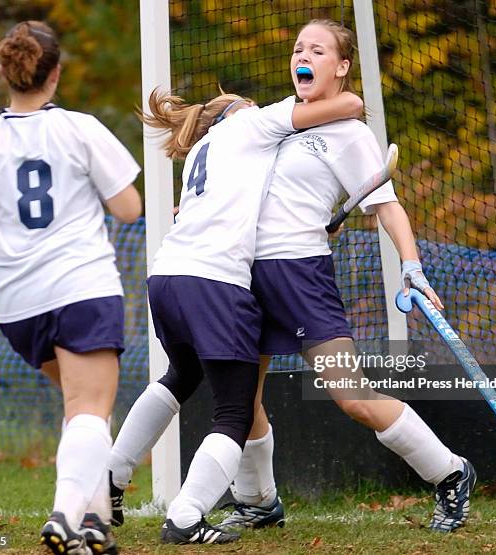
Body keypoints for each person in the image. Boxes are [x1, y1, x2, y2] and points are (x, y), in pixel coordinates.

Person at [218, 18, 476, 535]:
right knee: (241, 398)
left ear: (340, 67)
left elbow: (387, 206)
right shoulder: (280, 124)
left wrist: (412, 267)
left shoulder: (351, 135)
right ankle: (258, 501)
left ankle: (450, 472)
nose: (301, 56)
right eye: (296, 48)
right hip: (245, 272)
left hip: (302, 278)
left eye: (316, 49)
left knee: (353, 397)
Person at [108, 80, 363, 544]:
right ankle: (186, 517)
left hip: (167, 277)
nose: (259, 107)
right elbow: (350, 104)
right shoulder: (248, 124)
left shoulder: (206, 149)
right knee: (234, 412)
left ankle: (108, 479)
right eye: (250, 104)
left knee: (180, 376)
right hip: (215, 283)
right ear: (237, 111)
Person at [0, 21, 142, 555]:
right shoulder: (79, 128)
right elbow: (129, 208)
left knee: (82, 408)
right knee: (89, 410)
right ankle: (65, 516)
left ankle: (96, 525)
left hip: (16, 304)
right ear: (55, 72)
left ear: (4, 72)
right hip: (80, 287)